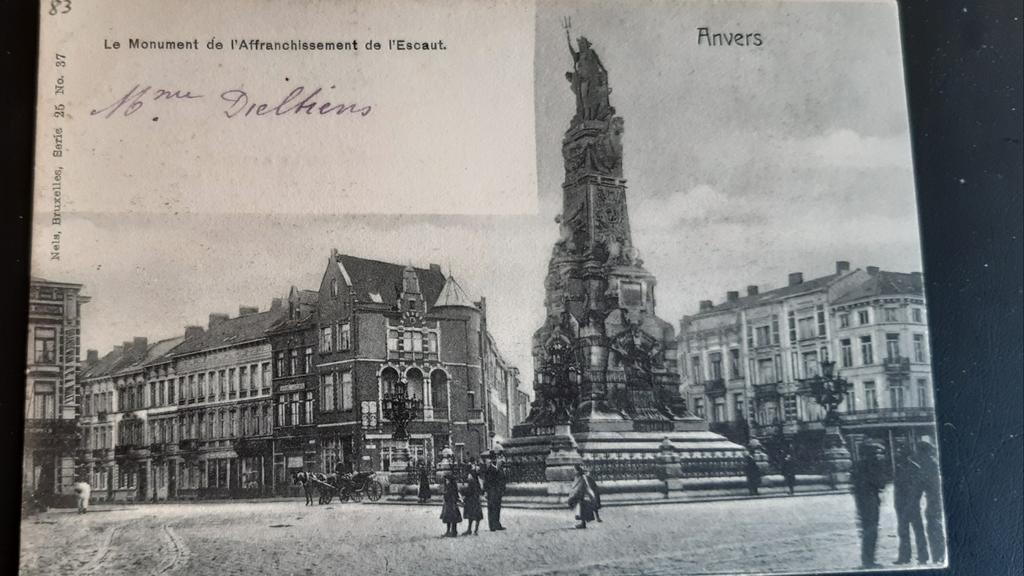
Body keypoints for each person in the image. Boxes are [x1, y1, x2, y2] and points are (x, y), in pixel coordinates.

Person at [851, 442, 888, 569]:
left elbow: (854, 484)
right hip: (870, 500)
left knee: (866, 530)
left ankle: (866, 560)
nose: (879, 456)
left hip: (861, 500)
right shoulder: (873, 466)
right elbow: (881, 483)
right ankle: (869, 561)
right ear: (872, 454)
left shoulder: (858, 465)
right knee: (871, 530)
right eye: (877, 453)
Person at [893, 444, 928, 564]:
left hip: (912, 505)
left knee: (918, 531)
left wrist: (912, 502)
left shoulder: (915, 468)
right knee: (903, 531)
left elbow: (918, 488)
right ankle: (904, 557)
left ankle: (923, 557)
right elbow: (897, 488)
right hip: (901, 505)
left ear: (906, 455)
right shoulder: (898, 467)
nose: (898, 455)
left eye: (900, 453)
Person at [917, 439, 945, 564]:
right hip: (934, 500)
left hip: (934, 501)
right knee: (935, 528)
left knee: (934, 529)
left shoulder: (928, 464)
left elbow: (923, 483)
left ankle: (939, 556)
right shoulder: (932, 463)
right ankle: (938, 556)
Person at [482, 451, 506, 531]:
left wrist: (502, 488)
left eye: (495, 457)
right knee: (492, 508)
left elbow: (502, 478)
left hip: (497, 490)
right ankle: (492, 525)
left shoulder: (498, 467)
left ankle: (497, 524)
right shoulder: (489, 468)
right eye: (494, 457)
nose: (495, 459)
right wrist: (485, 491)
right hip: (491, 490)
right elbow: (486, 480)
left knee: (497, 507)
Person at [567, 464, 595, 529]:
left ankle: (583, 524)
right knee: (582, 509)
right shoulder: (578, 477)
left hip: (583, 496)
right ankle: (583, 523)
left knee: (582, 509)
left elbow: (584, 487)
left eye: (574, 470)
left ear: (577, 471)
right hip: (582, 496)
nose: (573, 471)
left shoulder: (582, 478)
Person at [461, 468, 483, 535]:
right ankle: (476, 530)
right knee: (477, 516)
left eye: (469, 475)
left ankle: (469, 529)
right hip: (476, 501)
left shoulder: (471, 482)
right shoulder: (477, 483)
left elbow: (469, 492)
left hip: (471, 501)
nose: (468, 476)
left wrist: (463, 492)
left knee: (471, 516)